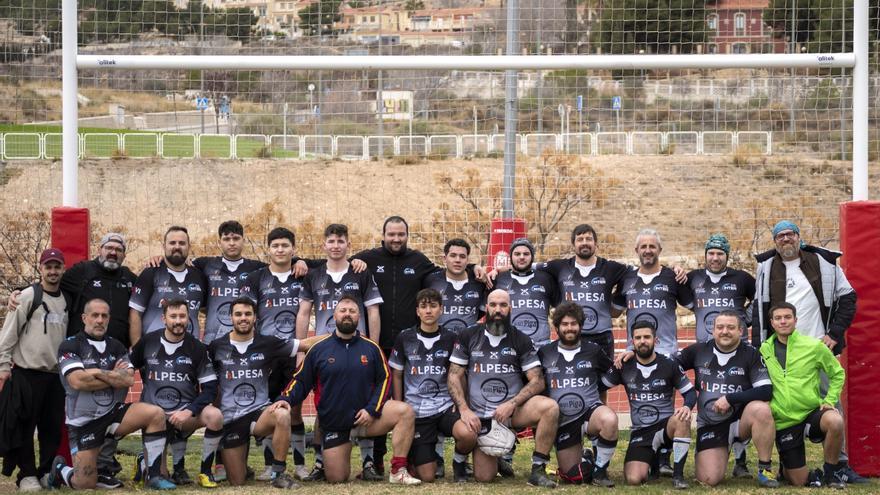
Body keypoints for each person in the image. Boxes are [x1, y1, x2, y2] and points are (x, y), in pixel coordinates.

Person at [753, 220, 863, 483]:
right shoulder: (766, 267)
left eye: (790, 234)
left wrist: (834, 334)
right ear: (775, 241)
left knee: (831, 404)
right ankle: (783, 463)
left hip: (817, 346)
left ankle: (839, 466)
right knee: (780, 405)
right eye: (780, 236)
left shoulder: (823, 262)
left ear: (799, 237)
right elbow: (759, 309)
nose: (786, 239)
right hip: (783, 350)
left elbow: (848, 298)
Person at [282, 295, 422, 485]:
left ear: (359, 317)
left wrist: (372, 409)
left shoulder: (371, 348)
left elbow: (386, 379)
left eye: (352, 311)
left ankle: (398, 470)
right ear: (335, 315)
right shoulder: (318, 349)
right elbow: (300, 380)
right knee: (336, 478)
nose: (347, 315)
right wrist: (285, 400)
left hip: (367, 420)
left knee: (405, 412)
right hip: (335, 423)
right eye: (343, 310)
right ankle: (331, 454)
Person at [47, 299, 175, 490]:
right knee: (85, 484)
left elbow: (128, 380)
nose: (100, 320)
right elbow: (77, 381)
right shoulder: (70, 345)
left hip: (113, 415)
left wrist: (96, 372)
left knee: (156, 414)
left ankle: (153, 475)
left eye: (104, 316)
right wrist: (112, 375)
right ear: (84, 318)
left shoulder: (117, 346)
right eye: (95, 315)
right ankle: (60, 470)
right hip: (84, 422)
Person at [295, 223, 383, 480]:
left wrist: (374, 347)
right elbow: (303, 312)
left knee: (365, 399)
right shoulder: (314, 275)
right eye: (331, 241)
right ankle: (320, 463)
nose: (335, 246)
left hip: (359, 349)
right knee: (324, 404)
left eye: (340, 241)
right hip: (324, 351)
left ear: (347, 245)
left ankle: (367, 463)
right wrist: (301, 348)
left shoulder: (361, 272)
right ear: (324, 245)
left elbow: (373, 312)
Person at [447, 289, 559, 488]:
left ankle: (538, 469)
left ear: (510, 309)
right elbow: (454, 375)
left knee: (550, 408)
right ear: (486, 308)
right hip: (480, 416)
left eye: (503, 305)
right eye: (493, 305)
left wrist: (512, 403)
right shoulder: (469, 335)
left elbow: (538, 380)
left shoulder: (521, 339)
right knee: (484, 477)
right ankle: (493, 457)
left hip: (510, 412)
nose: (498, 309)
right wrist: (464, 409)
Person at [207, 297, 322, 488]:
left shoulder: (267, 343)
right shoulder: (216, 346)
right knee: (237, 481)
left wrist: (337, 335)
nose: (243, 318)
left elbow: (304, 344)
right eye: (238, 314)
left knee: (283, 415)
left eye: (247, 314)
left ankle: (278, 473)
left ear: (255, 318)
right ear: (231, 318)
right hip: (231, 418)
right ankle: (242, 465)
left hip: (259, 414)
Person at [239, 227, 320, 481]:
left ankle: (299, 465)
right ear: (269, 250)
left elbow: (330, 264)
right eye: (276, 246)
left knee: (294, 409)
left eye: (286, 246)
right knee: (268, 407)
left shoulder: (303, 275)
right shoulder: (256, 278)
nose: (281, 250)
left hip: (296, 350)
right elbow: (247, 313)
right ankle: (268, 464)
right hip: (267, 353)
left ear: (293, 249)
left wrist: (304, 262)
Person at [675, 311, 779, 488]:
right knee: (708, 479)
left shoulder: (751, 354)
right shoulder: (699, 350)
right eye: (720, 327)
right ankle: (720, 450)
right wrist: (634, 357)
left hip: (739, 421)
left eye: (731, 327)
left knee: (761, 410)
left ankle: (765, 469)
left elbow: (766, 390)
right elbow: (668, 366)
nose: (725, 331)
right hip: (710, 424)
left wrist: (730, 398)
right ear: (713, 331)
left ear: (740, 331)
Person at [129, 299, 224, 488]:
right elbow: (130, 366)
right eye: (173, 316)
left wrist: (189, 410)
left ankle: (205, 473)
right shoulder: (148, 341)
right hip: (155, 418)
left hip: (184, 414)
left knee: (215, 415)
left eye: (182, 316)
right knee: (160, 476)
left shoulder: (197, 347)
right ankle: (144, 462)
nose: (178, 321)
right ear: (164, 318)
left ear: (188, 318)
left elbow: (211, 388)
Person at [684, 233, 756, 477]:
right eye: (711, 253)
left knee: (738, 397)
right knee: (709, 393)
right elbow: (686, 299)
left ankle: (741, 460)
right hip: (706, 349)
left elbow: (760, 297)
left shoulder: (742, 278)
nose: (715, 258)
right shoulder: (694, 278)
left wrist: (744, 319)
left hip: (737, 348)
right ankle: (709, 440)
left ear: (727, 255)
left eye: (720, 254)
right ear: (705, 255)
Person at [388, 288, 477, 482]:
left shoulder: (451, 338)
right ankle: (414, 453)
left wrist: (464, 406)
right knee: (427, 477)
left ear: (441, 310)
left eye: (433, 306)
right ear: (417, 311)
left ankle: (459, 462)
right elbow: (396, 374)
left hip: (445, 407)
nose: (428, 310)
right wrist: (399, 405)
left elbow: (459, 374)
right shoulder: (405, 337)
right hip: (418, 411)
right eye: (424, 306)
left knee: (469, 433)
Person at [0, 248, 69, 491]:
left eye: (57, 266)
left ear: (63, 269)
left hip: (55, 375)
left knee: (52, 428)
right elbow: (8, 334)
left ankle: (45, 472)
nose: (52, 271)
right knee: (25, 427)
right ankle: (26, 474)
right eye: (48, 266)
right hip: (27, 371)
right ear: (41, 269)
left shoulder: (67, 299)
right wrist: (3, 366)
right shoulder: (28, 296)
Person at [759, 303, 848, 488]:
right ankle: (788, 468)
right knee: (799, 482)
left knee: (835, 420)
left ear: (795, 320)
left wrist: (829, 400)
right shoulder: (764, 350)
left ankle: (832, 473)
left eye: (787, 317)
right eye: (778, 318)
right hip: (785, 421)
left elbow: (837, 373)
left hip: (811, 413)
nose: (783, 321)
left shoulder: (814, 346)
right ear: (772, 323)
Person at [602, 320, 696, 489]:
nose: (642, 341)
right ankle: (653, 459)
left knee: (682, 419)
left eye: (647, 337)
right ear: (632, 341)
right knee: (633, 479)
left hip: (665, 427)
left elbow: (689, 393)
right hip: (640, 431)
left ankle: (678, 476)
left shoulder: (669, 364)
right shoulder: (623, 365)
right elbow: (601, 386)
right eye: (638, 338)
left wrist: (687, 406)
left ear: (656, 340)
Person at [538, 302, 618, 487]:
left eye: (574, 324)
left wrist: (627, 358)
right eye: (565, 324)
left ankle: (600, 472)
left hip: (590, 413)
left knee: (610, 419)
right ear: (557, 327)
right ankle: (588, 457)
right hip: (564, 421)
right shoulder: (545, 353)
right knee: (576, 477)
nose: (569, 328)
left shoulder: (594, 350)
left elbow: (614, 372)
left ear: (580, 325)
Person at [534, 224, 629, 360]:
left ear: (596, 244)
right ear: (573, 245)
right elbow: (527, 267)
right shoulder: (560, 267)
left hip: (602, 337)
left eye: (588, 239)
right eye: (580, 239)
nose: (584, 243)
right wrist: (500, 270)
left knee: (605, 380)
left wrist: (618, 304)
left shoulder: (610, 268)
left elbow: (638, 273)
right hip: (571, 336)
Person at [612, 228, 693, 357]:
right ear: (636, 250)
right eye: (643, 246)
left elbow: (696, 307)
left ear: (660, 250)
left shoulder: (673, 277)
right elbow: (614, 313)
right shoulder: (626, 279)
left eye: (652, 247)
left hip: (666, 353)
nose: (648, 250)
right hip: (634, 353)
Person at [129, 226, 207, 347]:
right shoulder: (151, 272)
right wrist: (136, 348)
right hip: (154, 351)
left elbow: (207, 309)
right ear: (164, 246)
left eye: (182, 243)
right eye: (172, 243)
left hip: (189, 351)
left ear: (189, 246)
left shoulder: (199, 276)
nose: (177, 247)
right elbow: (135, 313)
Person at [493, 238, 558, 348]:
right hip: (508, 346)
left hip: (541, 346)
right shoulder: (498, 279)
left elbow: (561, 307)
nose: (522, 257)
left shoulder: (546, 278)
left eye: (526, 254)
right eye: (517, 254)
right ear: (511, 257)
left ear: (532, 257)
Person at [424, 238, 487, 335]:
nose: (457, 260)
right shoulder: (431, 280)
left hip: (468, 343)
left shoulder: (479, 281)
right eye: (453, 256)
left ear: (467, 260)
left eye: (462, 256)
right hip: (439, 343)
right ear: (444, 258)